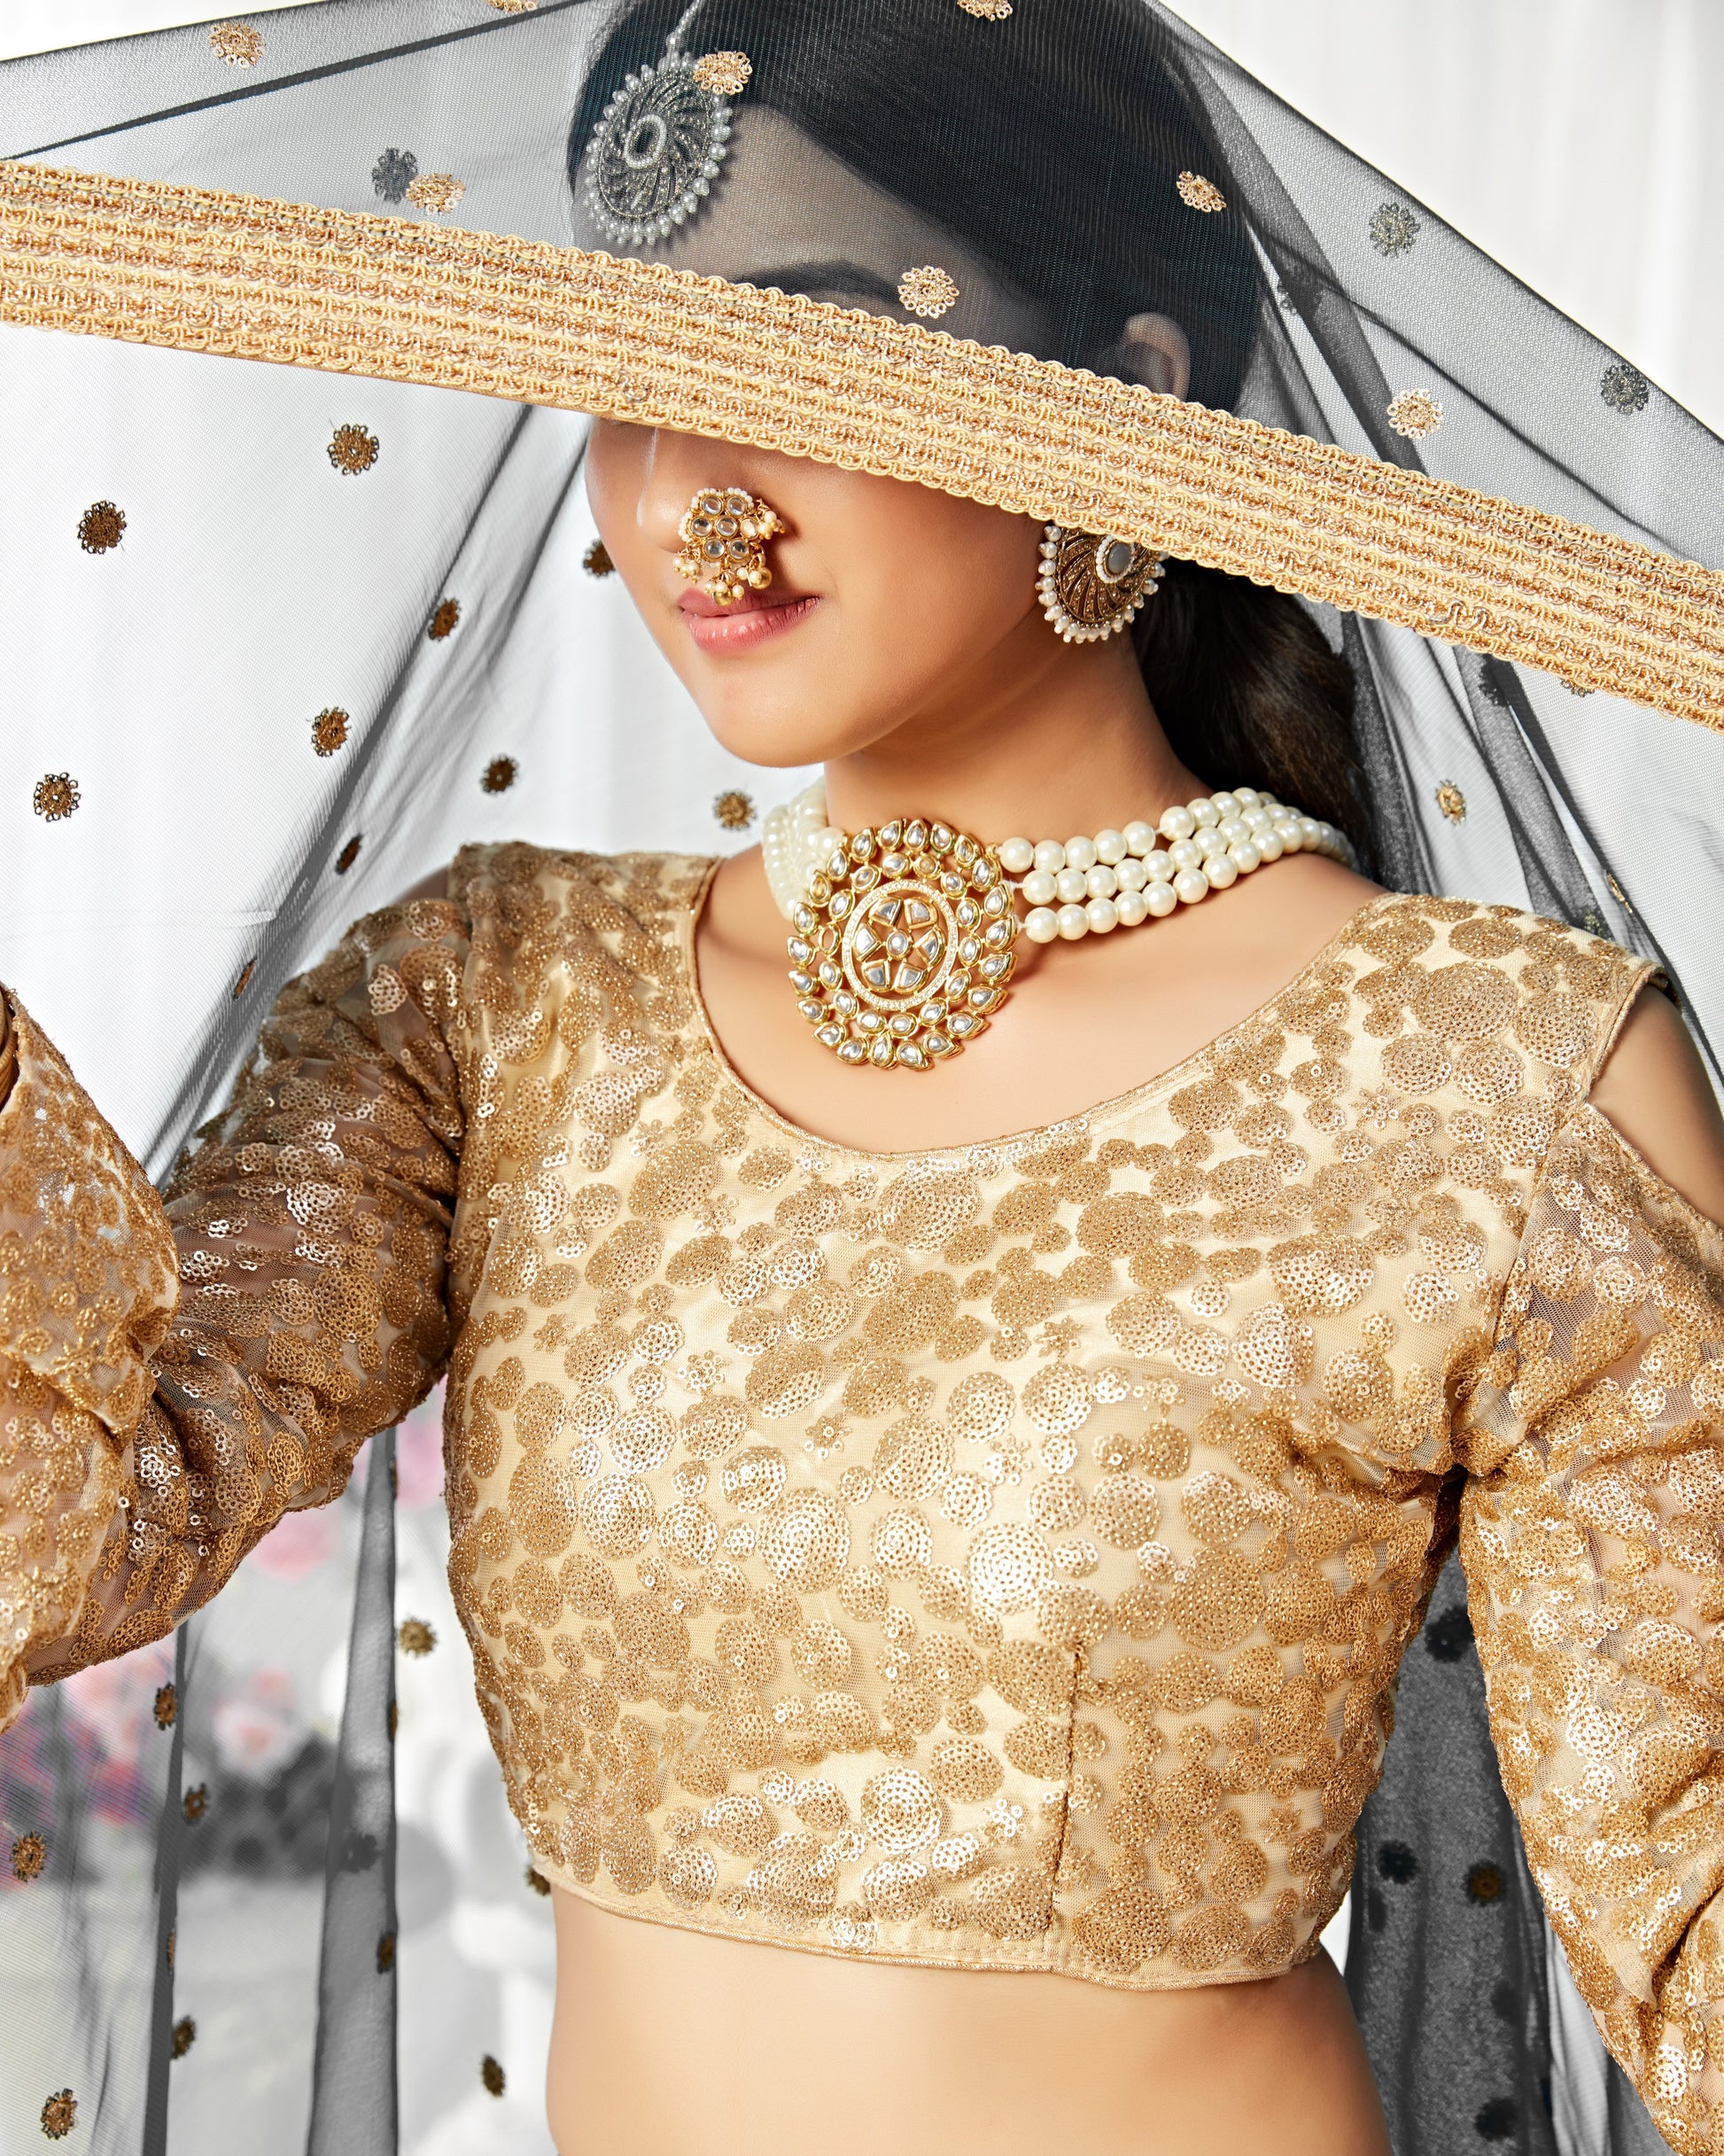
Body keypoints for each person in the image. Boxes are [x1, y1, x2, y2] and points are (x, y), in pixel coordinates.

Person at [4, 3, 1724, 2152]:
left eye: (802, 361)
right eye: (629, 379)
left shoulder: (1490, 1083)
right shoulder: (491, 1001)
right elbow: (55, 1541)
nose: (685, 505)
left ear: (1122, 402)